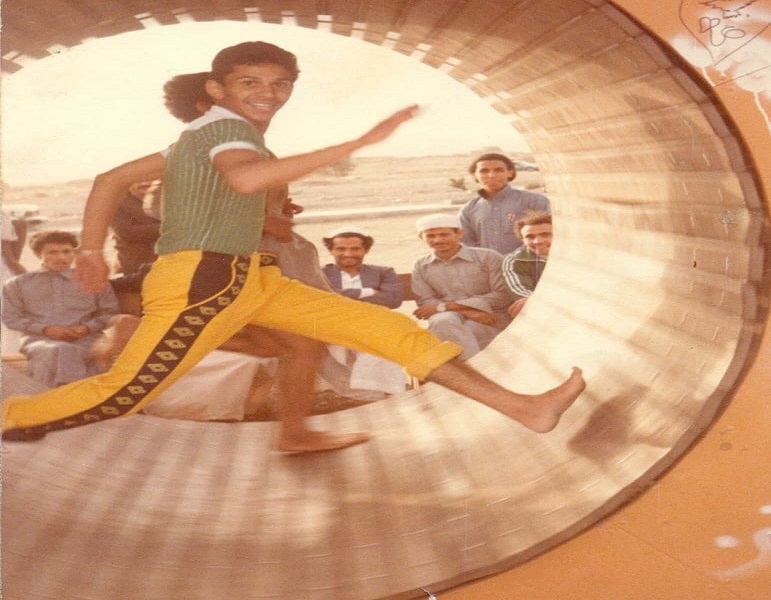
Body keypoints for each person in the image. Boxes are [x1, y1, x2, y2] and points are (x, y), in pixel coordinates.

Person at [2, 41, 585, 449]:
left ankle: (525, 408)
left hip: (252, 278)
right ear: (217, 89)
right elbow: (244, 180)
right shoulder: (227, 129)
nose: (268, 93)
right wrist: (359, 142)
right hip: (203, 282)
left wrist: (90, 252)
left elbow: (109, 180)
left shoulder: (195, 136)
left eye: (279, 84)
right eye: (250, 83)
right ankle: (11, 416)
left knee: (390, 330)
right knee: (124, 392)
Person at [1, 230, 119, 387]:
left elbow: (109, 312)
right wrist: (46, 330)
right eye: (52, 252)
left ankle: (57, 395)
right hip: (40, 340)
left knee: (72, 352)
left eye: (66, 251)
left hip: (86, 339)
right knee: (60, 350)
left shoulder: (93, 280)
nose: (61, 257)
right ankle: (73, 394)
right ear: (38, 254)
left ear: (74, 253)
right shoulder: (17, 284)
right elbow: (11, 318)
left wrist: (86, 328)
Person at [321, 226, 407, 399]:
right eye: (340, 249)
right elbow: (322, 298)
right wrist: (365, 292)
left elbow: (392, 299)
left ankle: (381, 392)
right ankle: (360, 393)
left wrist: (340, 297)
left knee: (379, 344)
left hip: (373, 323)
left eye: (355, 249)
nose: (348, 254)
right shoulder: (320, 273)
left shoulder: (383, 272)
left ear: (366, 250)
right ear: (330, 250)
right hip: (333, 325)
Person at [412, 214, 512, 360]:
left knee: (469, 328)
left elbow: (503, 295)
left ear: (459, 233)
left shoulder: (488, 257)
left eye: (444, 234)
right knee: (441, 321)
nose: (438, 240)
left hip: (492, 316)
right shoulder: (421, 265)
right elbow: (426, 302)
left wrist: (449, 306)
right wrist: (467, 312)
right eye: (430, 236)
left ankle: (467, 370)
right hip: (449, 317)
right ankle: (475, 370)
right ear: (421, 238)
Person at [458, 153, 550, 255]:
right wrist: (487, 259)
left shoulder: (534, 201)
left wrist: (514, 259)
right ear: (475, 175)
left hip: (528, 262)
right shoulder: (468, 209)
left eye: (499, 170)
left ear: (510, 173)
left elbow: (549, 235)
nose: (491, 175)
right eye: (484, 171)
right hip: (486, 264)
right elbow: (467, 243)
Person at [502, 211, 552, 320]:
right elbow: (520, 291)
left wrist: (537, 299)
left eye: (545, 234)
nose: (537, 241)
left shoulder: (580, 254)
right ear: (522, 240)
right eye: (530, 237)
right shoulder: (515, 260)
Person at [110, 180, 162, 274]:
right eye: (139, 179)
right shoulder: (117, 202)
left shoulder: (166, 198)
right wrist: (168, 228)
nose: (144, 183)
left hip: (168, 262)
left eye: (149, 179)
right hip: (134, 267)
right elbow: (125, 232)